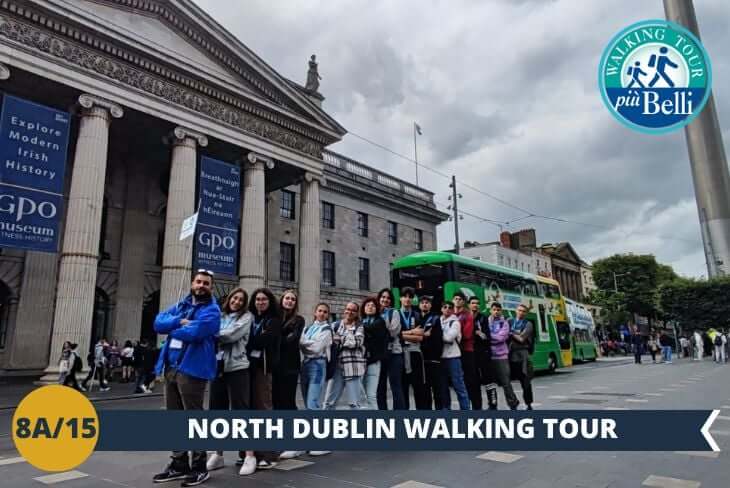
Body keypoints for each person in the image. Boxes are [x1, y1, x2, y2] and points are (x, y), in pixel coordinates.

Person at [152, 270, 220, 486]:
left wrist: (173, 327)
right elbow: (157, 323)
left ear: (211, 287)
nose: (201, 286)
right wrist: (177, 322)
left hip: (192, 370)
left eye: (206, 283)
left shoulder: (212, 310)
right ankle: (179, 463)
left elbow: (194, 333)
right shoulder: (182, 305)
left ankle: (199, 466)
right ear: (192, 283)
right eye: (198, 282)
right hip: (171, 367)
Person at [206, 288, 254, 475]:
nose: (237, 302)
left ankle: (249, 455)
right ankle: (217, 454)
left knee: (241, 412)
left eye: (241, 300)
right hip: (217, 368)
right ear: (229, 299)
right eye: (235, 298)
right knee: (217, 411)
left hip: (237, 367)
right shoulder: (222, 315)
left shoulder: (247, 317)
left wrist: (210, 333)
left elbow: (231, 335)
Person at [281, 303, 333, 460]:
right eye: (320, 311)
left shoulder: (326, 330)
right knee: (307, 404)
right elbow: (301, 343)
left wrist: (306, 344)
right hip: (306, 365)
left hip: (318, 365)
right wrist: (307, 344)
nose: (322, 313)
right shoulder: (309, 327)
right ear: (315, 312)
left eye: (325, 312)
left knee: (313, 404)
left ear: (327, 315)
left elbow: (316, 348)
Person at [245, 288, 282, 472]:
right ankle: (250, 453)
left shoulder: (273, 320)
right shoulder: (251, 318)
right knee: (250, 410)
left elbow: (263, 340)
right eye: (257, 299)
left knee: (264, 409)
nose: (260, 302)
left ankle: (269, 454)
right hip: (247, 368)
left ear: (269, 302)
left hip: (263, 368)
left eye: (264, 299)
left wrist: (248, 339)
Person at [323, 302, 366, 409]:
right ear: (344, 310)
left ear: (357, 313)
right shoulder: (335, 325)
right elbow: (327, 340)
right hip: (336, 367)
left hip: (353, 368)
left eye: (353, 310)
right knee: (328, 402)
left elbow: (356, 342)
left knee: (354, 404)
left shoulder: (360, 326)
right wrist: (346, 337)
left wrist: (339, 338)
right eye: (348, 309)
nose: (349, 312)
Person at [273, 290, 305, 410]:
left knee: (288, 400)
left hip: (290, 365)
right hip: (275, 364)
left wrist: (275, 338)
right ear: (282, 300)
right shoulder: (275, 317)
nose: (290, 301)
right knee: (275, 399)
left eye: (293, 299)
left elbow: (291, 339)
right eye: (287, 298)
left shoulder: (299, 320)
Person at [399, 287, 428, 410]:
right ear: (400, 298)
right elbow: (395, 335)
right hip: (400, 353)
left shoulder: (416, 314)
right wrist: (412, 332)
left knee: (418, 387)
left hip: (415, 353)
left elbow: (420, 336)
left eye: (410, 297)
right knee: (403, 387)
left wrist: (403, 335)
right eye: (405, 296)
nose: (407, 299)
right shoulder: (395, 314)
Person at [438, 300, 470, 410]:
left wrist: (435, 334)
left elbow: (448, 338)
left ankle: (465, 410)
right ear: (441, 309)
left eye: (450, 307)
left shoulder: (455, 322)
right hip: (441, 358)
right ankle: (446, 410)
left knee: (459, 386)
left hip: (453, 358)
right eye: (445, 307)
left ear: (452, 310)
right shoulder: (439, 321)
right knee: (443, 387)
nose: (447, 309)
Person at [376, 288, 404, 410]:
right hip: (379, 354)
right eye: (383, 297)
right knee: (379, 387)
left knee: (396, 386)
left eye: (388, 298)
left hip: (394, 354)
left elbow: (393, 331)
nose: (385, 300)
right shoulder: (374, 313)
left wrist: (379, 328)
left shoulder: (394, 313)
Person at [488, 303, 519, 410]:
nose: (496, 312)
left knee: (506, 382)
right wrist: (492, 337)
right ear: (490, 310)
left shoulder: (504, 323)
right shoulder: (486, 322)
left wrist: (489, 337)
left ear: (501, 311)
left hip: (501, 357)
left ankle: (513, 403)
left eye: (498, 310)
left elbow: (501, 338)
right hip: (489, 356)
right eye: (494, 309)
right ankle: (492, 404)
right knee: (491, 384)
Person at [453, 292, 480, 410]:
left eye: (460, 299)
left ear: (464, 302)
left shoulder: (468, 315)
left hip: (467, 351)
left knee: (471, 381)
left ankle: (476, 407)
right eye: (456, 299)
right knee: (460, 381)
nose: (457, 301)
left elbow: (467, 334)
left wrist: (452, 338)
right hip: (454, 352)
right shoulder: (451, 314)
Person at [361, 297, 388, 410]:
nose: (370, 307)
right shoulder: (362, 321)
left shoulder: (380, 321)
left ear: (377, 308)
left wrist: (355, 325)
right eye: (367, 305)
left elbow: (371, 329)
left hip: (373, 361)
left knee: (371, 395)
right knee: (361, 396)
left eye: (373, 305)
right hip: (361, 362)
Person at [470, 296, 496, 410]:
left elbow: (486, 336)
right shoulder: (466, 317)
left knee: (488, 380)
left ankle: (493, 404)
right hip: (471, 353)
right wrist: (476, 332)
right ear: (469, 305)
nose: (475, 305)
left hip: (484, 352)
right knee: (474, 381)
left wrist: (479, 333)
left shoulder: (483, 318)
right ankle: (477, 406)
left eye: (477, 303)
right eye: (473, 303)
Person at [508, 304, 534, 410]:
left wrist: (510, 332)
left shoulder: (528, 324)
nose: (521, 312)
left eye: (523, 311)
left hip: (523, 355)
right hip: (510, 354)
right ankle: (513, 402)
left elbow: (522, 339)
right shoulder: (509, 321)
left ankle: (528, 404)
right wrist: (515, 333)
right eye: (519, 310)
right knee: (506, 381)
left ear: (526, 313)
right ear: (516, 311)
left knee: (526, 381)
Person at [419, 296, 444, 410]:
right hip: (421, 359)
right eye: (422, 303)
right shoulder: (417, 318)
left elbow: (436, 338)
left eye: (427, 303)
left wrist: (422, 336)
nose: (424, 304)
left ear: (430, 305)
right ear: (419, 305)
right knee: (424, 390)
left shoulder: (435, 318)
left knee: (437, 389)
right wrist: (424, 335)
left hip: (434, 359)